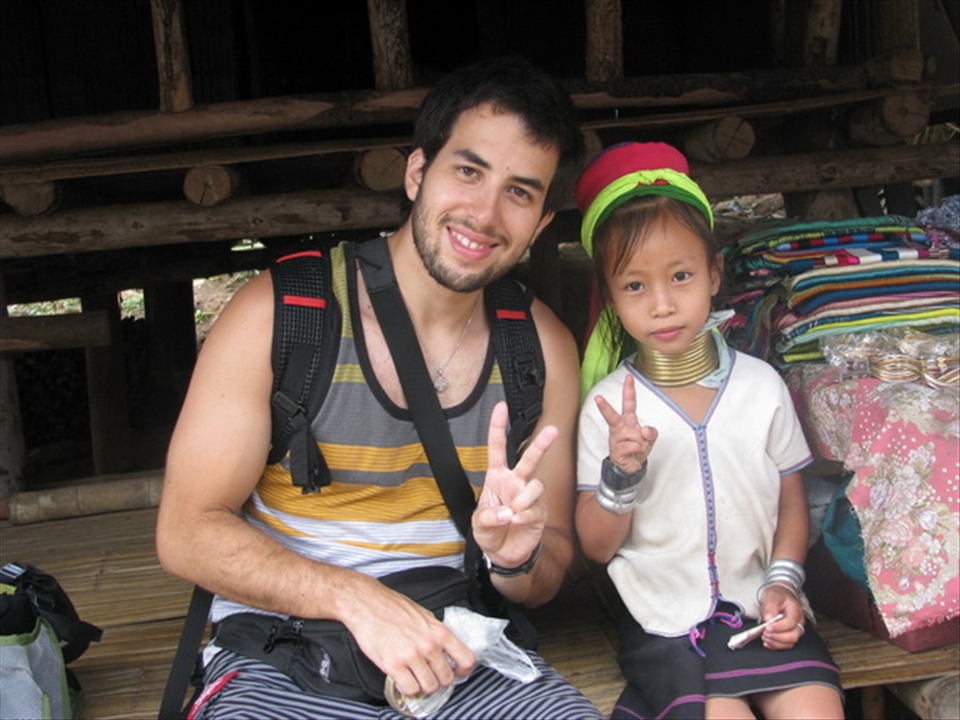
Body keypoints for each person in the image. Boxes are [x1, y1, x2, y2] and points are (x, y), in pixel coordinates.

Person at [156, 56, 600, 719]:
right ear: (418, 172)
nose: (483, 213)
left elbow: (548, 564)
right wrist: (357, 600)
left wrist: (515, 559)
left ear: (538, 225)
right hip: (286, 649)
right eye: (468, 170)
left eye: (519, 191)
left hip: (462, 648)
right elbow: (186, 532)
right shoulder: (282, 315)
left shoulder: (540, 349)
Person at [574, 142, 844, 720]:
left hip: (763, 609)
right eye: (636, 286)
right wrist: (621, 473)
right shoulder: (605, 408)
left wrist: (785, 583)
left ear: (714, 273)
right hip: (667, 627)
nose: (663, 304)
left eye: (681, 275)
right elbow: (596, 548)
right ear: (610, 298)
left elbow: (790, 503)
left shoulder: (761, 386)